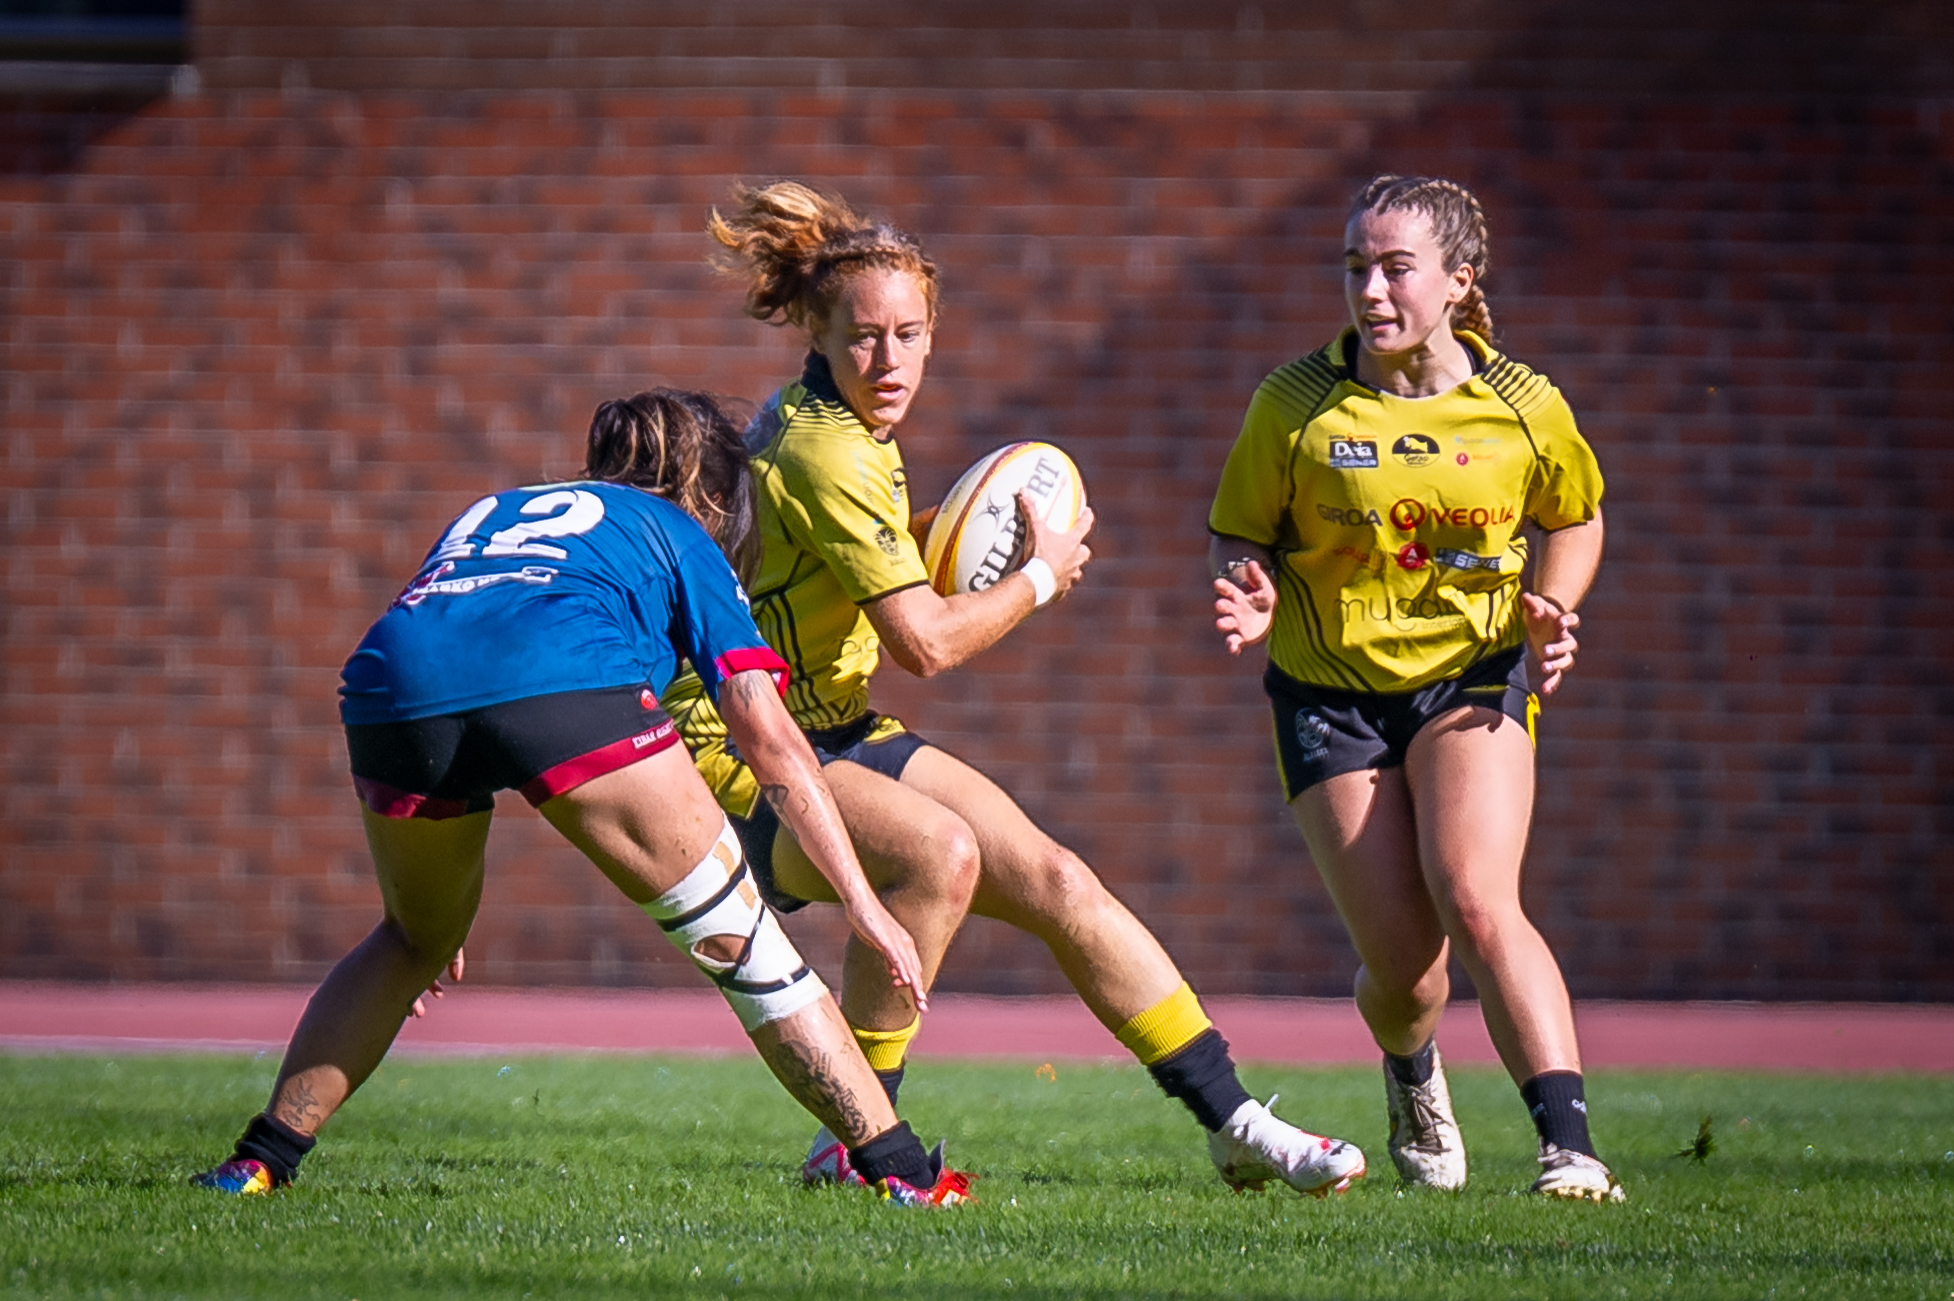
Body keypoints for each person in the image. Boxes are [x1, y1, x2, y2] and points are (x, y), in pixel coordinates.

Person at [661, 181, 1366, 1198]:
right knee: (937, 854)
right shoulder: (826, 448)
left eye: (910, 335)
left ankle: (1237, 1122)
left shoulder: (847, 424)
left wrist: (956, 533)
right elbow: (923, 642)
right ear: (818, 330)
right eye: (864, 337)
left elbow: (856, 571)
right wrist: (1038, 575)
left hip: (836, 724)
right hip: (740, 750)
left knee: (1058, 878)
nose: (890, 360)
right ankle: (856, 1139)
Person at [192, 389, 971, 1206]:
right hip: (568, 681)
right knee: (751, 951)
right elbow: (768, 735)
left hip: (391, 690)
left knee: (410, 937)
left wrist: (434, 902)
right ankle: (910, 1176)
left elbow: (458, 649)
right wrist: (862, 900)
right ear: (712, 493)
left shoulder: (494, 509)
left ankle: (257, 1161)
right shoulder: (677, 528)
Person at [1206, 174, 1621, 1202]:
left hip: (1471, 676)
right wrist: (1249, 588)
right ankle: (1411, 1070)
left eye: (1396, 269)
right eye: (1356, 268)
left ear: (1459, 280)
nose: (1371, 291)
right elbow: (1238, 532)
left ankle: (1570, 1151)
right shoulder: (1294, 403)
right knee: (1406, 972)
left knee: (1476, 896)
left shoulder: (1523, 404)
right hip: (1328, 693)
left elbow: (1574, 515)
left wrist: (1553, 604)